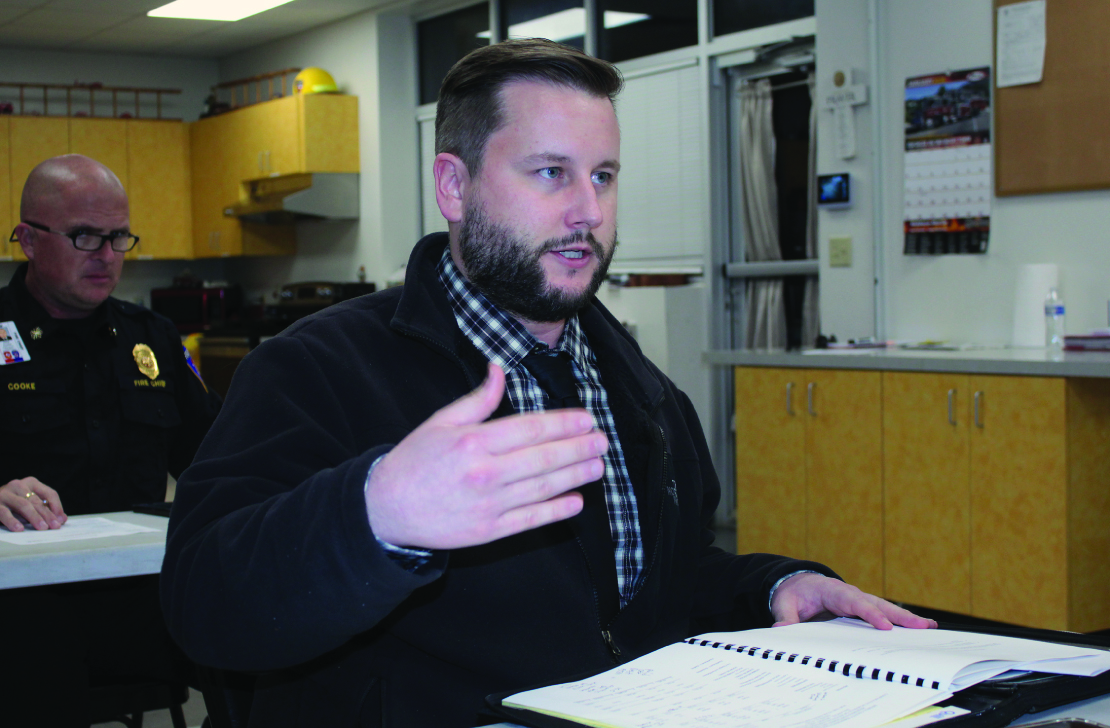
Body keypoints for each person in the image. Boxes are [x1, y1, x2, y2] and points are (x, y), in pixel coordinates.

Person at [162, 39, 933, 728]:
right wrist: (377, 514)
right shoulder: (314, 370)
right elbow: (204, 603)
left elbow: (657, 587)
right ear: (454, 186)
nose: (589, 211)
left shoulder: (644, 390)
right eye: (550, 173)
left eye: (603, 176)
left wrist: (773, 587)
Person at [0, 154, 221, 727]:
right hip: (25, 602)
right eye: (84, 236)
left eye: (118, 237)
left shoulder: (151, 339)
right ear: (28, 240)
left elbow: (217, 457)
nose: (105, 255)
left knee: (271, 642)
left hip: (141, 591)